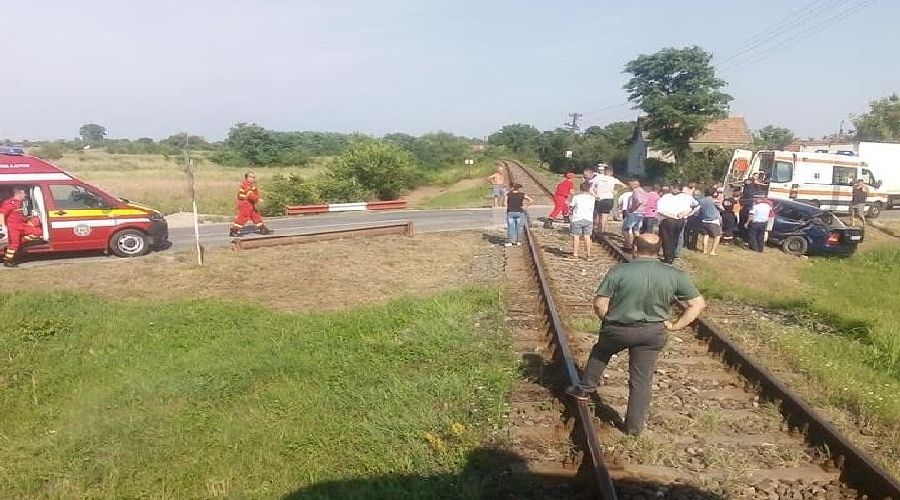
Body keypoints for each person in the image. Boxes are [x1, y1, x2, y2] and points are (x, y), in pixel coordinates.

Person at [565, 234, 706, 436]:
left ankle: (585, 388)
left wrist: (608, 319)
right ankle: (633, 429)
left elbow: (599, 303)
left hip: (618, 329)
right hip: (652, 332)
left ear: (635, 249)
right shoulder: (674, 274)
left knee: (601, 352)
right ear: (658, 250)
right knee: (641, 379)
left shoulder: (620, 271)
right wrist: (675, 326)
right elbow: (698, 304)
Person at [1, 188, 44, 268]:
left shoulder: (20, 203)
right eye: (24, 194)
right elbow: (1, 215)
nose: (25, 195)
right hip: (13, 228)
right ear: (19, 194)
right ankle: (7, 261)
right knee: (14, 245)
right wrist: (3, 227)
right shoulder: (9, 203)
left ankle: (20, 241)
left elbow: (18, 215)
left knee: (40, 233)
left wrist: (29, 217)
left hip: (22, 225)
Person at [656, 184, 696, 264]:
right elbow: (696, 206)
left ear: (674, 188)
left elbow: (659, 209)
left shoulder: (666, 197)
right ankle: (673, 254)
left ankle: (668, 257)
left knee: (667, 238)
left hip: (668, 219)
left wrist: (671, 215)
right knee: (675, 237)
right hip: (680, 220)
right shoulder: (687, 197)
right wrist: (686, 214)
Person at [230, 172, 273, 237]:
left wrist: (256, 198)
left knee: (256, 216)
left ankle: (263, 229)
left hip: (251, 203)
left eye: (253, 177)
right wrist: (258, 199)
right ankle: (234, 230)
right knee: (244, 217)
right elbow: (249, 194)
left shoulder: (252, 185)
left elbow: (255, 193)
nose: (252, 178)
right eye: (250, 177)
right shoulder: (245, 184)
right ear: (246, 178)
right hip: (245, 203)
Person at [584, 165, 623, 233]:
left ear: (604, 172)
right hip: (608, 199)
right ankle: (602, 231)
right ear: (611, 173)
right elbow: (623, 185)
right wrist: (616, 191)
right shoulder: (613, 179)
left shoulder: (598, 178)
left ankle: (594, 230)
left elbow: (590, 188)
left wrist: (595, 195)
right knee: (604, 216)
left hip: (598, 198)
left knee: (596, 215)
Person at [569, 182, 596, 260]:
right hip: (588, 219)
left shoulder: (576, 197)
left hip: (577, 218)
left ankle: (575, 255)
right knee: (587, 236)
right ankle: (589, 255)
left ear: (580, 188)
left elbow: (571, 207)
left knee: (576, 237)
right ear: (589, 188)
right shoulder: (592, 198)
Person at [621, 180, 647, 252]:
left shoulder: (636, 191)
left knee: (625, 229)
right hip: (641, 214)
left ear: (635, 185)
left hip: (634, 213)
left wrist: (633, 208)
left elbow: (639, 201)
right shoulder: (643, 191)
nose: (630, 186)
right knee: (636, 230)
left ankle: (627, 245)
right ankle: (636, 246)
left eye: (631, 185)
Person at [697, 187, 723, 256]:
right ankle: (713, 251)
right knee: (717, 236)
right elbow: (722, 208)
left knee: (706, 235)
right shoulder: (714, 200)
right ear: (714, 193)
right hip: (713, 221)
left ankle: (704, 250)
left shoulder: (702, 200)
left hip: (704, 220)